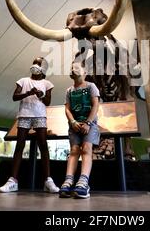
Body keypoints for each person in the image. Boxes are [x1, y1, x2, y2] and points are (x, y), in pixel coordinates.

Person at [0, 57, 59, 193]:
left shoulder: (47, 83)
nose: (34, 65)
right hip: (24, 115)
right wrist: (28, 93)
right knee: (19, 146)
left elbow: (48, 102)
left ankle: (48, 180)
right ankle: (13, 180)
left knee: (43, 146)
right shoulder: (23, 80)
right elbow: (15, 97)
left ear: (43, 68)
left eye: (38, 64)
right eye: (34, 62)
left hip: (39, 115)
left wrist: (41, 95)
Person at [59, 62, 100, 199]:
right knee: (74, 151)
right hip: (74, 125)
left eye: (77, 67)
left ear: (85, 72)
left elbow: (95, 105)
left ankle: (83, 181)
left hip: (90, 124)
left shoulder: (91, 86)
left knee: (86, 149)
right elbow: (67, 109)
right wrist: (73, 121)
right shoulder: (69, 90)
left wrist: (88, 122)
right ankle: (69, 180)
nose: (73, 69)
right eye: (71, 67)